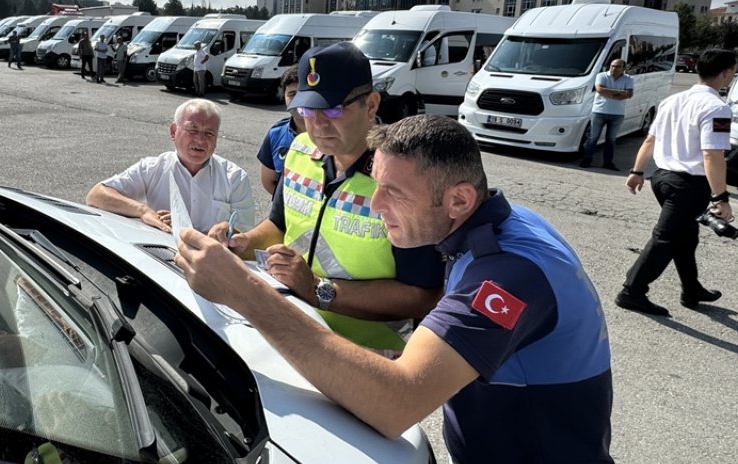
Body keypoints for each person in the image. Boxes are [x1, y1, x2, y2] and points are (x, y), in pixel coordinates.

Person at [176, 115, 614, 462]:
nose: (375, 204)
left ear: (459, 200)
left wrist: (246, 293)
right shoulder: (502, 222)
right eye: (376, 184)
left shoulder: (507, 275)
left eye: (393, 192)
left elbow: (396, 402)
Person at [210, 42, 443, 353]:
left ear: (371, 105)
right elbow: (279, 226)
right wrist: (242, 243)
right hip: (291, 329)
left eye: (333, 108)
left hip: (368, 354)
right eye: (307, 109)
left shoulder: (405, 177)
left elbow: (424, 295)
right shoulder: (300, 149)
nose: (317, 124)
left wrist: (319, 290)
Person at [616, 48, 738, 316]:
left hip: (661, 178)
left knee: (685, 237)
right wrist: (721, 198)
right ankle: (631, 292)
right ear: (726, 73)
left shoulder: (672, 101)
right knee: (665, 239)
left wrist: (637, 171)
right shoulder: (718, 108)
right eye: (733, 71)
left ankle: (691, 289)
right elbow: (712, 154)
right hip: (687, 186)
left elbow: (650, 140)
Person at [85, 99, 254, 234]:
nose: (201, 141)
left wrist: (216, 235)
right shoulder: (153, 168)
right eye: (192, 130)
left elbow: (245, 238)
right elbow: (96, 195)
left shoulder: (235, 178)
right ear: (173, 131)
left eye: (209, 133)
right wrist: (143, 211)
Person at [256, 65, 305, 195]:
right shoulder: (275, 134)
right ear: (284, 96)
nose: (298, 100)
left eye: (303, 93)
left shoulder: (330, 134)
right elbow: (268, 181)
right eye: (292, 94)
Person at [581, 58, 634, 170]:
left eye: (618, 66)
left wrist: (608, 93)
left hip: (617, 114)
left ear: (623, 68)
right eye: (612, 65)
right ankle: (587, 160)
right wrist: (619, 92)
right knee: (593, 138)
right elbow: (599, 89)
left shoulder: (629, 79)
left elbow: (629, 94)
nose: (614, 68)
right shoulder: (602, 76)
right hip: (599, 112)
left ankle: (608, 163)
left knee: (611, 140)